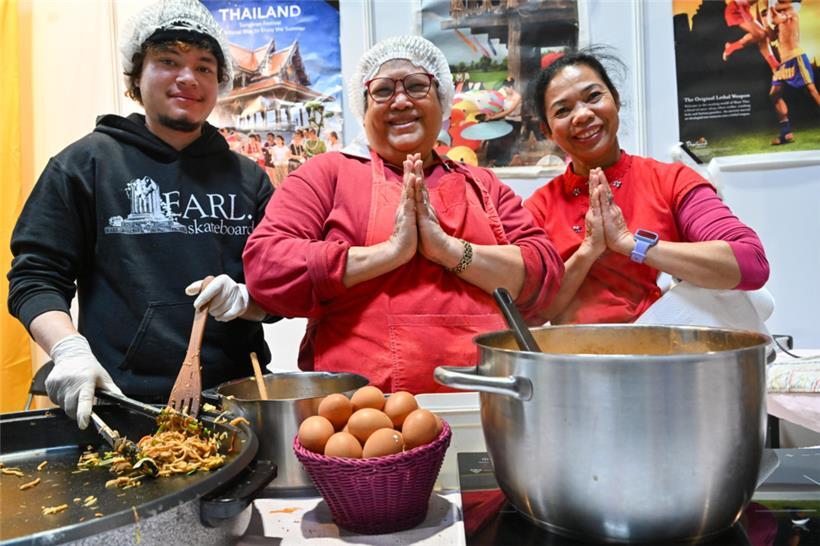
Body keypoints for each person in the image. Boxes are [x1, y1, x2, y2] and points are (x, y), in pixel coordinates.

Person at [7, 0, 276, 429]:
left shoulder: (250, 179)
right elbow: (35, 278)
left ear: (219, 83)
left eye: (204, 67)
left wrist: (247, 300)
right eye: (168, 61)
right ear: (136, 76)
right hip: (122, 403)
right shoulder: (86, 164)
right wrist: (67, 349)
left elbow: (282, 286)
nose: (188, 77)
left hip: (238, 403)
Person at [243, 36, 563, 394]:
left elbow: (544, 276)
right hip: (363, 409)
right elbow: (268, 268)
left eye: (416, 86)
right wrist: (389, 254)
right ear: (363, 109)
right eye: (383, 90)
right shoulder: (326, 175)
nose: (400, 100)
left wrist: (449, 251)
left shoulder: (483, 183)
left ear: (443, 100)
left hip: (488, 402)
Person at [523, 49, 769, 325]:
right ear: (547, 130)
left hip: (661, 346)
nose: (582, 115)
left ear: (615, 100)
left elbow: (751, 264)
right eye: (563, 110)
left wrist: (630, 244)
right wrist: (588, 250)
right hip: (572, 351)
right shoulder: (538, 208)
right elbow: (527, 312)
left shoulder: (670, 180)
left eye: (593, 97)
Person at [767, 0, 820, 146]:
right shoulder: (780, 13)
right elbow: (771, 37)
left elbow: (775, 17)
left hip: (796, 58)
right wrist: (765, 22)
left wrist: (769, 5)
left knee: (812, 91)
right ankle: (786, 133)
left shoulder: (792, 10)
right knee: (774, 94)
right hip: (784, 62)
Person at [722, 0, 779, 71]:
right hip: (736, 9)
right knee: (761, 34)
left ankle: (774, 65)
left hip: (743, 8)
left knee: (763, 36)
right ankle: (732, 47)